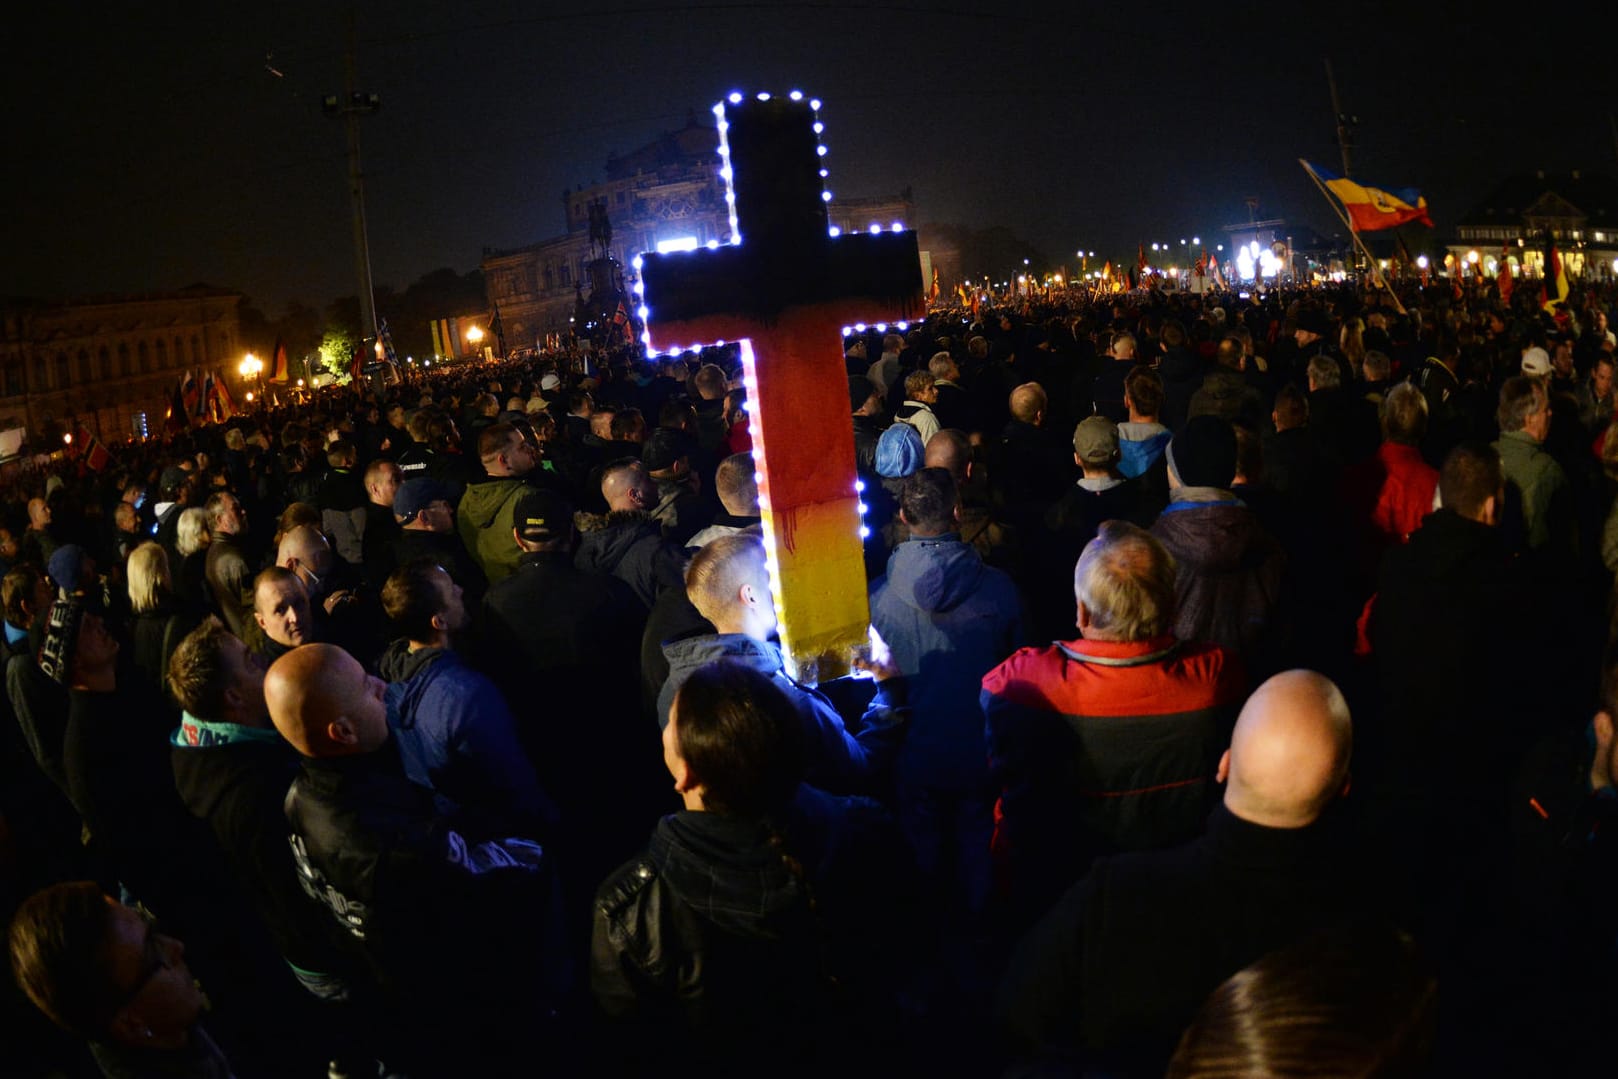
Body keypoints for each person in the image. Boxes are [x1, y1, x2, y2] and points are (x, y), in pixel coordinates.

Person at [997, 670, 1360, 1074]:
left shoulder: (1114, 895)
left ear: (1223, 765)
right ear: (1343, 787)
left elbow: (1015, 1018)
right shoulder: (1359, 935)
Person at [592, 660, 914, 1077]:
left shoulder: (630, 911)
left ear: (685, 773)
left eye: (673, 719)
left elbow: (633, 1052)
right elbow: (906, 956)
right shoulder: (868, 832)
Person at [267, 644, 563, 1072]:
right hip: (462, 1019)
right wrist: (536, 846)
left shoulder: (297, 801)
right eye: (367, 689)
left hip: (396, 1010)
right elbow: (499, 875)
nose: (382, 687)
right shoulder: (393, 844)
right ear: (343, 732)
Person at [983, 520, 1244, 920]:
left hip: (1056, 891)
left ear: (1082, 611)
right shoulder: (1215, 677)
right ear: (1171, 605)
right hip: (1174, 888)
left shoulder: (1022, 684)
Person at [869, 467, 1025, 918]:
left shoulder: (877, 599)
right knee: (979, 851)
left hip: (911, 752)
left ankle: (928, 933)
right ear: (957, 512)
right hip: (981, 749)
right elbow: (1020, 671)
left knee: (923, 852)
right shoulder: (999, 589)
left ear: (902, 515)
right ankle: (980, 938)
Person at [657, 533, 907, 796]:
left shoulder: (673, 690)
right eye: (774, 579)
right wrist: (889, 688)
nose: (787, 589)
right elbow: (858, 767)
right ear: (751, 596)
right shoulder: (783, 698)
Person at [377, 560, 554, 827]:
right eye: (451, 591)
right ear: (439, 621)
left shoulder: (390, 675)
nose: (460, 590)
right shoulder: (467, 696)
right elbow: (513, 780)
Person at [8, 882, 235, 1078]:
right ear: (132, 1025)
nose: (176, 946)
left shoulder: (172, 1027)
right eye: (155, 954)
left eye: (151, 929)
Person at [1150, 414, 1285, 671]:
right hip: (1249, 681)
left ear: (1178, 471)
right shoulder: (1266, 540)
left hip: (1180, 684)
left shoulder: (1152, 547)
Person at [575, 458, 687, 609]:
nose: (655, 484)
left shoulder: (585, 550)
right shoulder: (655, 549)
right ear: (635, 495)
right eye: (648, 480)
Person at [456, 421, 547, 583]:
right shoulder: (527, 499)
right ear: (503, 460)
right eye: (522, 447)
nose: (531, 449)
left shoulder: (467, 500)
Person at [202, 492, 253, 638]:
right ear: (220, 519)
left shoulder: (215, 552)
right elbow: (252, 610)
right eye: (236, 509)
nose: (243, 512)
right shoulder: (234, 560)